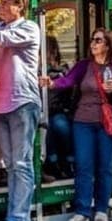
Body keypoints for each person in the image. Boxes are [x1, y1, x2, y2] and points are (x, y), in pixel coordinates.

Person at [41, 29, 112, 221]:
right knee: (84, 166)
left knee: (105, 167)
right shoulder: (84, 65)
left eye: (98, 40)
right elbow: (67, 80)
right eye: (92, 39)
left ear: (107, 45)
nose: (93, 43)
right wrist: (52, 83)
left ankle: (101, 209)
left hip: (108, 124)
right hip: (83, 122)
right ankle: (81, 210)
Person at [0, 0, 42, 221]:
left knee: (21, 163)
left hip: (22, 102)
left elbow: (0, 41)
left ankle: (19, 220)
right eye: (1, 1)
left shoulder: (28, 27)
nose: (2, 5)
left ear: (20, 6)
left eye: (7, 2)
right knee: (9, 164)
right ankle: (13, 217)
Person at [43, 36, 74, 182]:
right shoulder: (37, 71)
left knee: (61, 126)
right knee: (47, 127)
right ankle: (52, 162)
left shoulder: (63, 70)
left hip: (60, 111)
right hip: (42, 112)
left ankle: (68, 161)